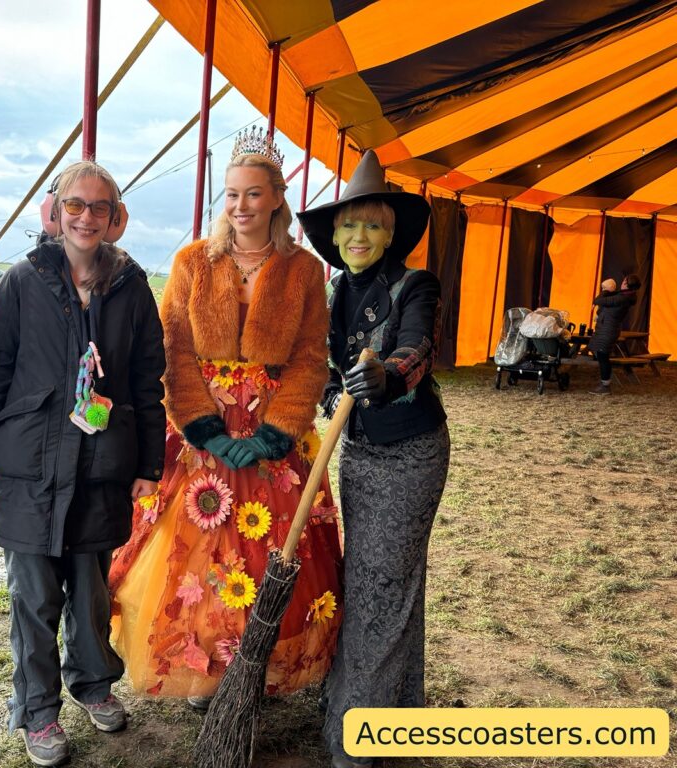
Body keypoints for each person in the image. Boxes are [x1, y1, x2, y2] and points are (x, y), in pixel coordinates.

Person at [109, 128, 343, 708]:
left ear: (277, 199)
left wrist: (274, 434)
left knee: (270, 551)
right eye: (232, 194)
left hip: (273, 429)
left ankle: (258, 663)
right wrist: (203, 427)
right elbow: (173, 348)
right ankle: (206, 665)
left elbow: (311, 357)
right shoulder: (192, 261)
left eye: (254, 194)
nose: (241, 206)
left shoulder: (304, 270)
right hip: (203, 426)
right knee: (200, 548)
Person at [0, 161, 166, 767]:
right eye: (75, 204)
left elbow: (147, 380)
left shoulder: (131, 288)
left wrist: (149, 462)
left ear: (115, 218)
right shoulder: (23, 280)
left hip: (103, 463)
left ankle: (93, 682)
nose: (85, 217)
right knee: (32, 597)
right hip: (30, 462)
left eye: (99, 207)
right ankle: (37, 710)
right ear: (55, 211)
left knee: (90, 590)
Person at [298, 150, 450, 768]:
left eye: (372, 225)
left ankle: (354, 733)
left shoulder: (416, 285)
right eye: (348, 225)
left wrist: (386, 376)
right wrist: (329, 388)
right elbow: (328, 363)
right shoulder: (336, 289)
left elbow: (417, 349)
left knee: (381, 585)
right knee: (380, 581)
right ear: (335, 236)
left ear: (390, 235)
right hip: (358, 453)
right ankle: (396, 711)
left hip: (411, 454)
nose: (359, 236)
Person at [587, 274, 641, 395]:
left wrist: (605, 290)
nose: (621, 283)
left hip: (608, 330)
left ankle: (605, 386)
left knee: (603, 356)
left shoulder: (622, 298)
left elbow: (598, 300)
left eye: (624, 281)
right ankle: (604, 381)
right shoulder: (624, 295)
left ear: (626, 284)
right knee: (600, 353)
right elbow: (606, 303)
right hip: (606, 328)